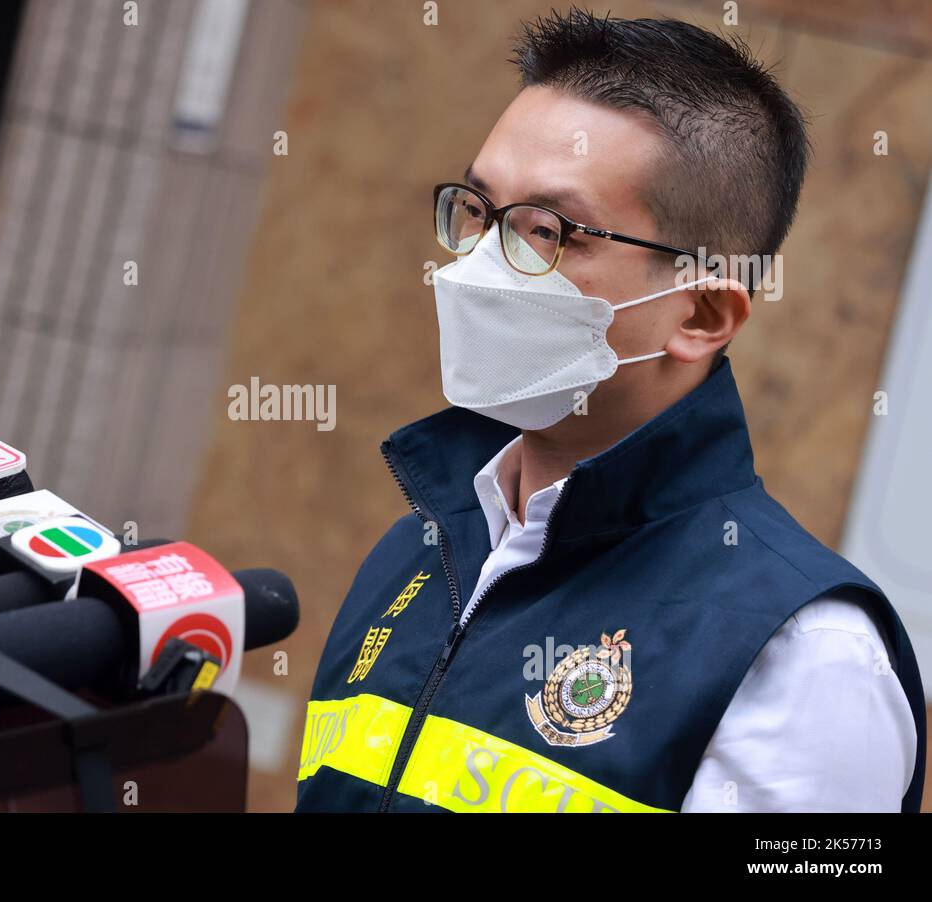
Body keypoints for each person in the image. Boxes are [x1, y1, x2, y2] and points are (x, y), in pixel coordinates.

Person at [296, 8, 924, 813]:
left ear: (700, 314)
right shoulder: (426, 548)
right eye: (480, 213)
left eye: (548, 231)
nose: (484, 265)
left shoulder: (804, 656)